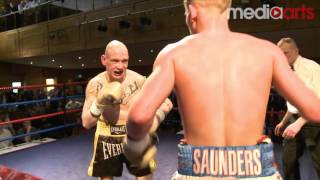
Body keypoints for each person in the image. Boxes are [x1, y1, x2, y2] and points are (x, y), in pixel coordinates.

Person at [122, 0, 320, 179]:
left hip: (199, 169)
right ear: (227, 9)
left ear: (191, 11)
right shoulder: (267, 51)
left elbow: (139, 116)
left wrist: (135, 146)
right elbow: (315, 111)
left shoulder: (174, 53)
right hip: (254, 168)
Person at [81, 40, 172, 180]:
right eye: (115, 61)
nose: (120, 66)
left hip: (135, 136)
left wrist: (154, 119)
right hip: (107, 137)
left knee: (144, 177)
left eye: (125, 61)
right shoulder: (96, 84)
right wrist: (99, 104)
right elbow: (86, 122)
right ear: (104, 60)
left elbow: (166, 103)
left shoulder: (139, 80)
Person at [274, 37, 320, 180]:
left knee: (318, 162)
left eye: (286, 53)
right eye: (280, 54)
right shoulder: (286, 71)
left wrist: (299, 123)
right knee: (288, 162)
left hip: (312, 120)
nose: (283, 57)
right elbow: (294, 103)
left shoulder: (311, 67)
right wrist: (284, 122)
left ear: (296, 51)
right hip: (293, 120)